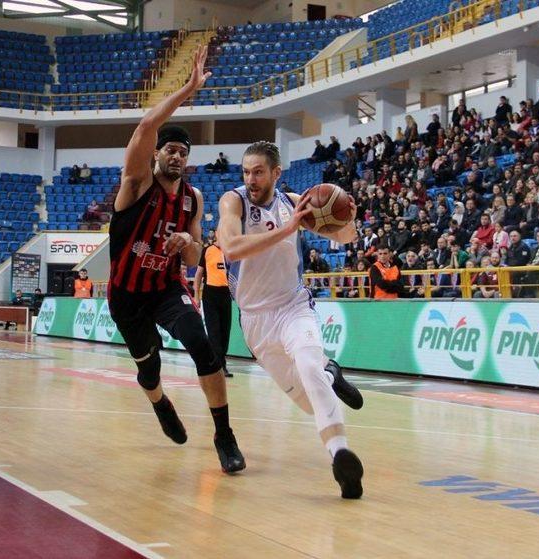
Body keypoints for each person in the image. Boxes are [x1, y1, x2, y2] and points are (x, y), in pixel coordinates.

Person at [106, 46, 244, 474]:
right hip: (127, 295)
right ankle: (161, 402)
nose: (176, 156)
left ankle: (224, 435)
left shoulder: (192, 199)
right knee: (150, 370)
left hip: (166, 288)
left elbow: (194, 255)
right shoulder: (136, 182)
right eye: (169, 149)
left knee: (205, 349)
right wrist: (189, 89)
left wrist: (187, 238)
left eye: (183, 152)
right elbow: (147, 123)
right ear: (157, 153)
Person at [218, 140, 364, 498]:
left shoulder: (295, 204)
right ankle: (332, 373)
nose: (251, 178)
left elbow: (344, 237)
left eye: (258, 171)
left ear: (276, 173)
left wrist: (348, 218)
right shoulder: (233, 201)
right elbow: (231, 248)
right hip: (255, 319)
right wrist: (287, 230)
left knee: (308, 364)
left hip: (293, 305)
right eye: (246, 171)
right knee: (306, 399)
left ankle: (340, 456)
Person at [194, 234, 234, 378]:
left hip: (225, 295)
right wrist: (196, 296)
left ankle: (222, 365)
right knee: (214, 332)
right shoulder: (207, 250)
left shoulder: (230, 252)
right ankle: (218, 367)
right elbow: (198, 274)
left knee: (225, 332)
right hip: (210, 294)